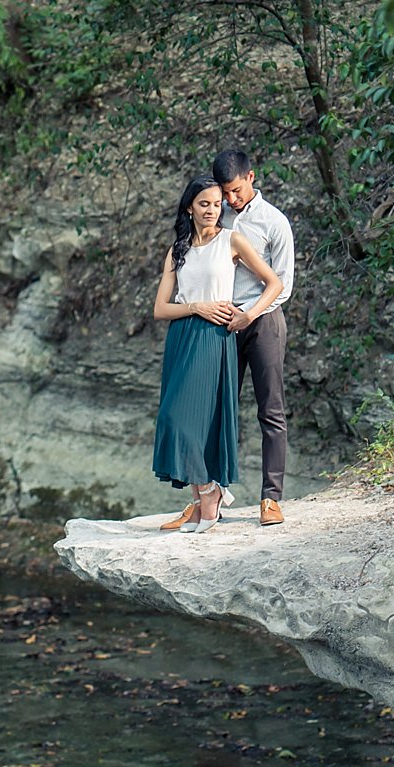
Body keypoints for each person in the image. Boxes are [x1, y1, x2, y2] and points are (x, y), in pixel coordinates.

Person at [151, 176, 283, 533]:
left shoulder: (232, 240)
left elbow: (275, 283)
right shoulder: (178, 249)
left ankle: (210, 493)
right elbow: (160, 309)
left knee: (188, 421)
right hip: (183, 335)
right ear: (189, 207)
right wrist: (196, 307)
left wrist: (248, 314)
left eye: (216, 204)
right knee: (173, 418)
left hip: (214, 338)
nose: (212, 210)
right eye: (204, 204)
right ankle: (203, 500)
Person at [212, 149, 295, 526]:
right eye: (225, 193)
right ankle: (210, 496)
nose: (231, 199)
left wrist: (250, 314)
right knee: (219, 410)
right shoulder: (217, 216)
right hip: (223, 322)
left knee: (270, 411)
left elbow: (284, 286)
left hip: (263, 321)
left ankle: (271, 498)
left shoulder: (274, 222)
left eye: (235, 190)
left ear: (251, 177)